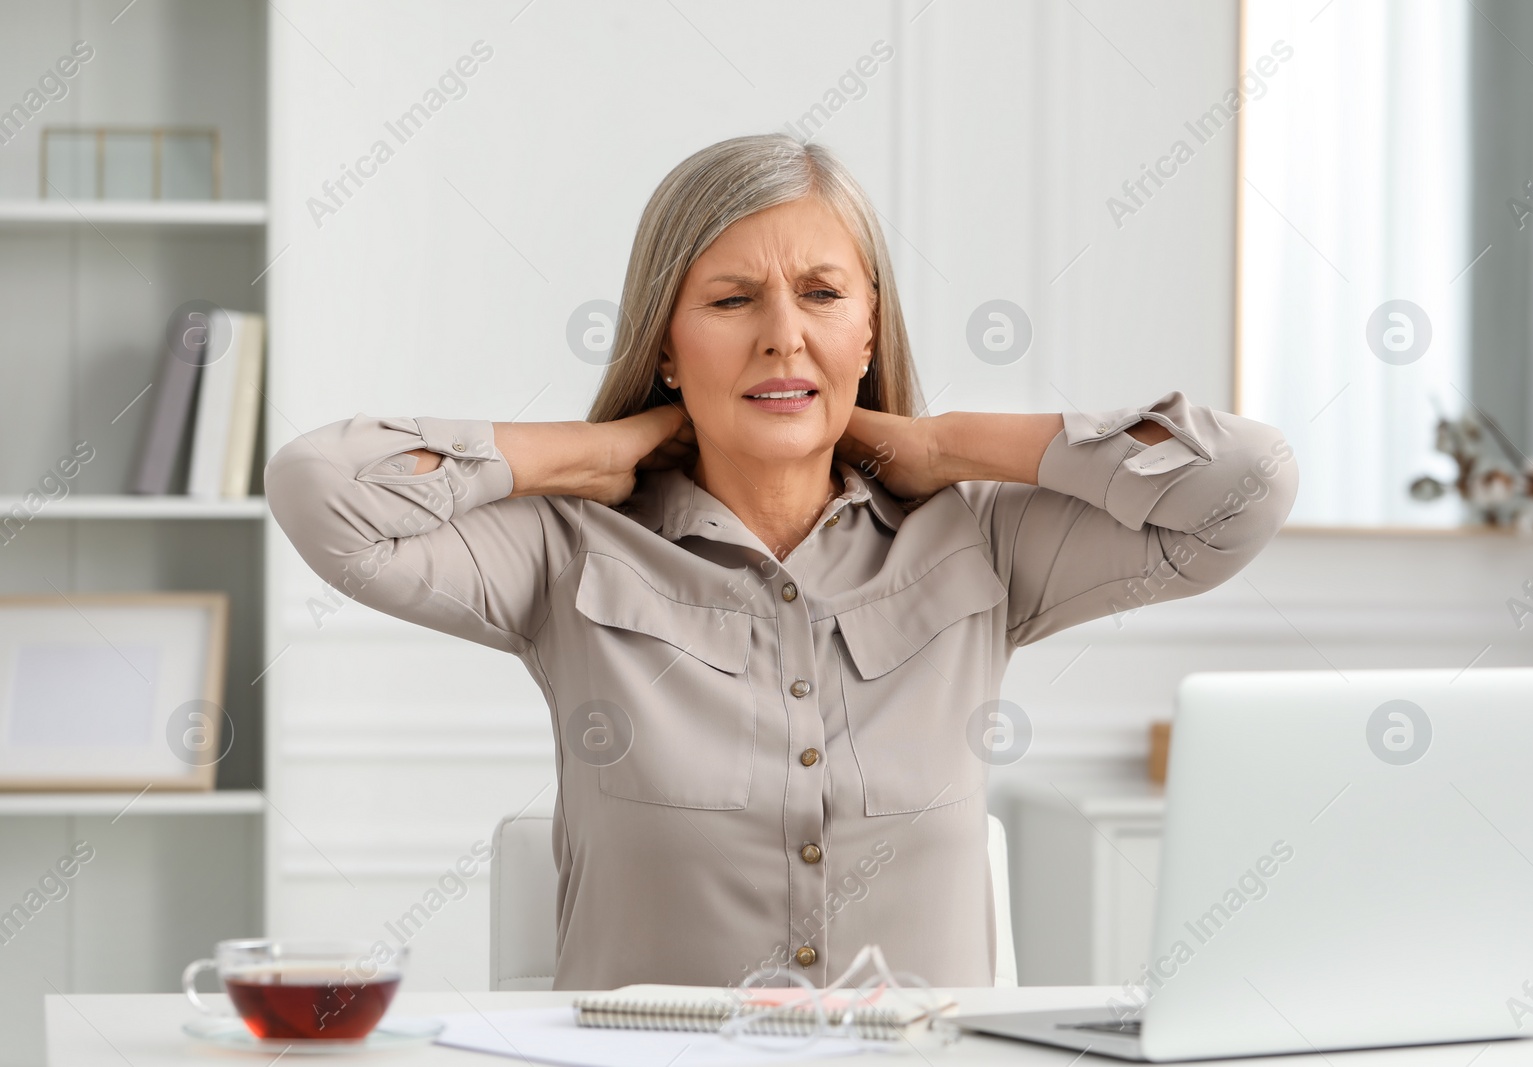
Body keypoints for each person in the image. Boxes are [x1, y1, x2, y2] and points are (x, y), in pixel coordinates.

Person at [265, 132, 1298, 991]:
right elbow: (325, 491)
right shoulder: (562, 551)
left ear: (867, 331)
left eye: (820, 294)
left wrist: (950, 443)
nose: (783, 337)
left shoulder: (981, 537)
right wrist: (590, 451)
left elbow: (1244, 483)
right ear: (665, 344)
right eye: (730, 300)